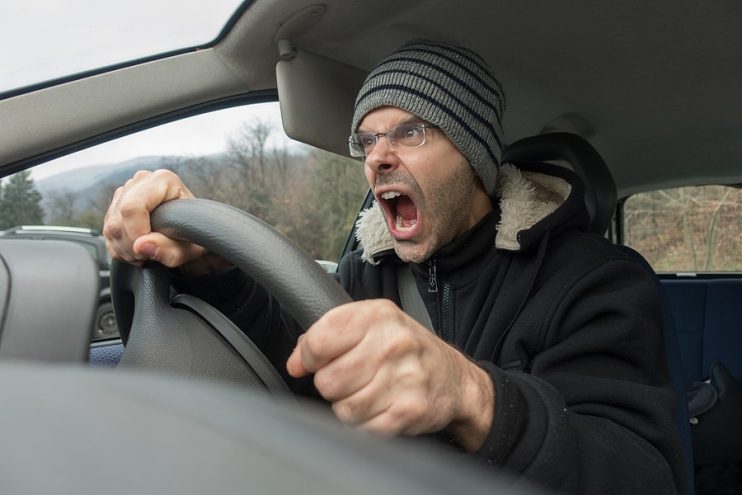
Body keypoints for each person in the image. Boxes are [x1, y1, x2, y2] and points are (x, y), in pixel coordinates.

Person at [104, 40, 685, 493]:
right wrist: (215, 272)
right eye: (367, 140)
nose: (379, 157)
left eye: (411, 131)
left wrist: (474, 396)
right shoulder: (369, 267)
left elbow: (641, 475)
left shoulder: (594, 280)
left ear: (475, 156)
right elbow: (298, 372)